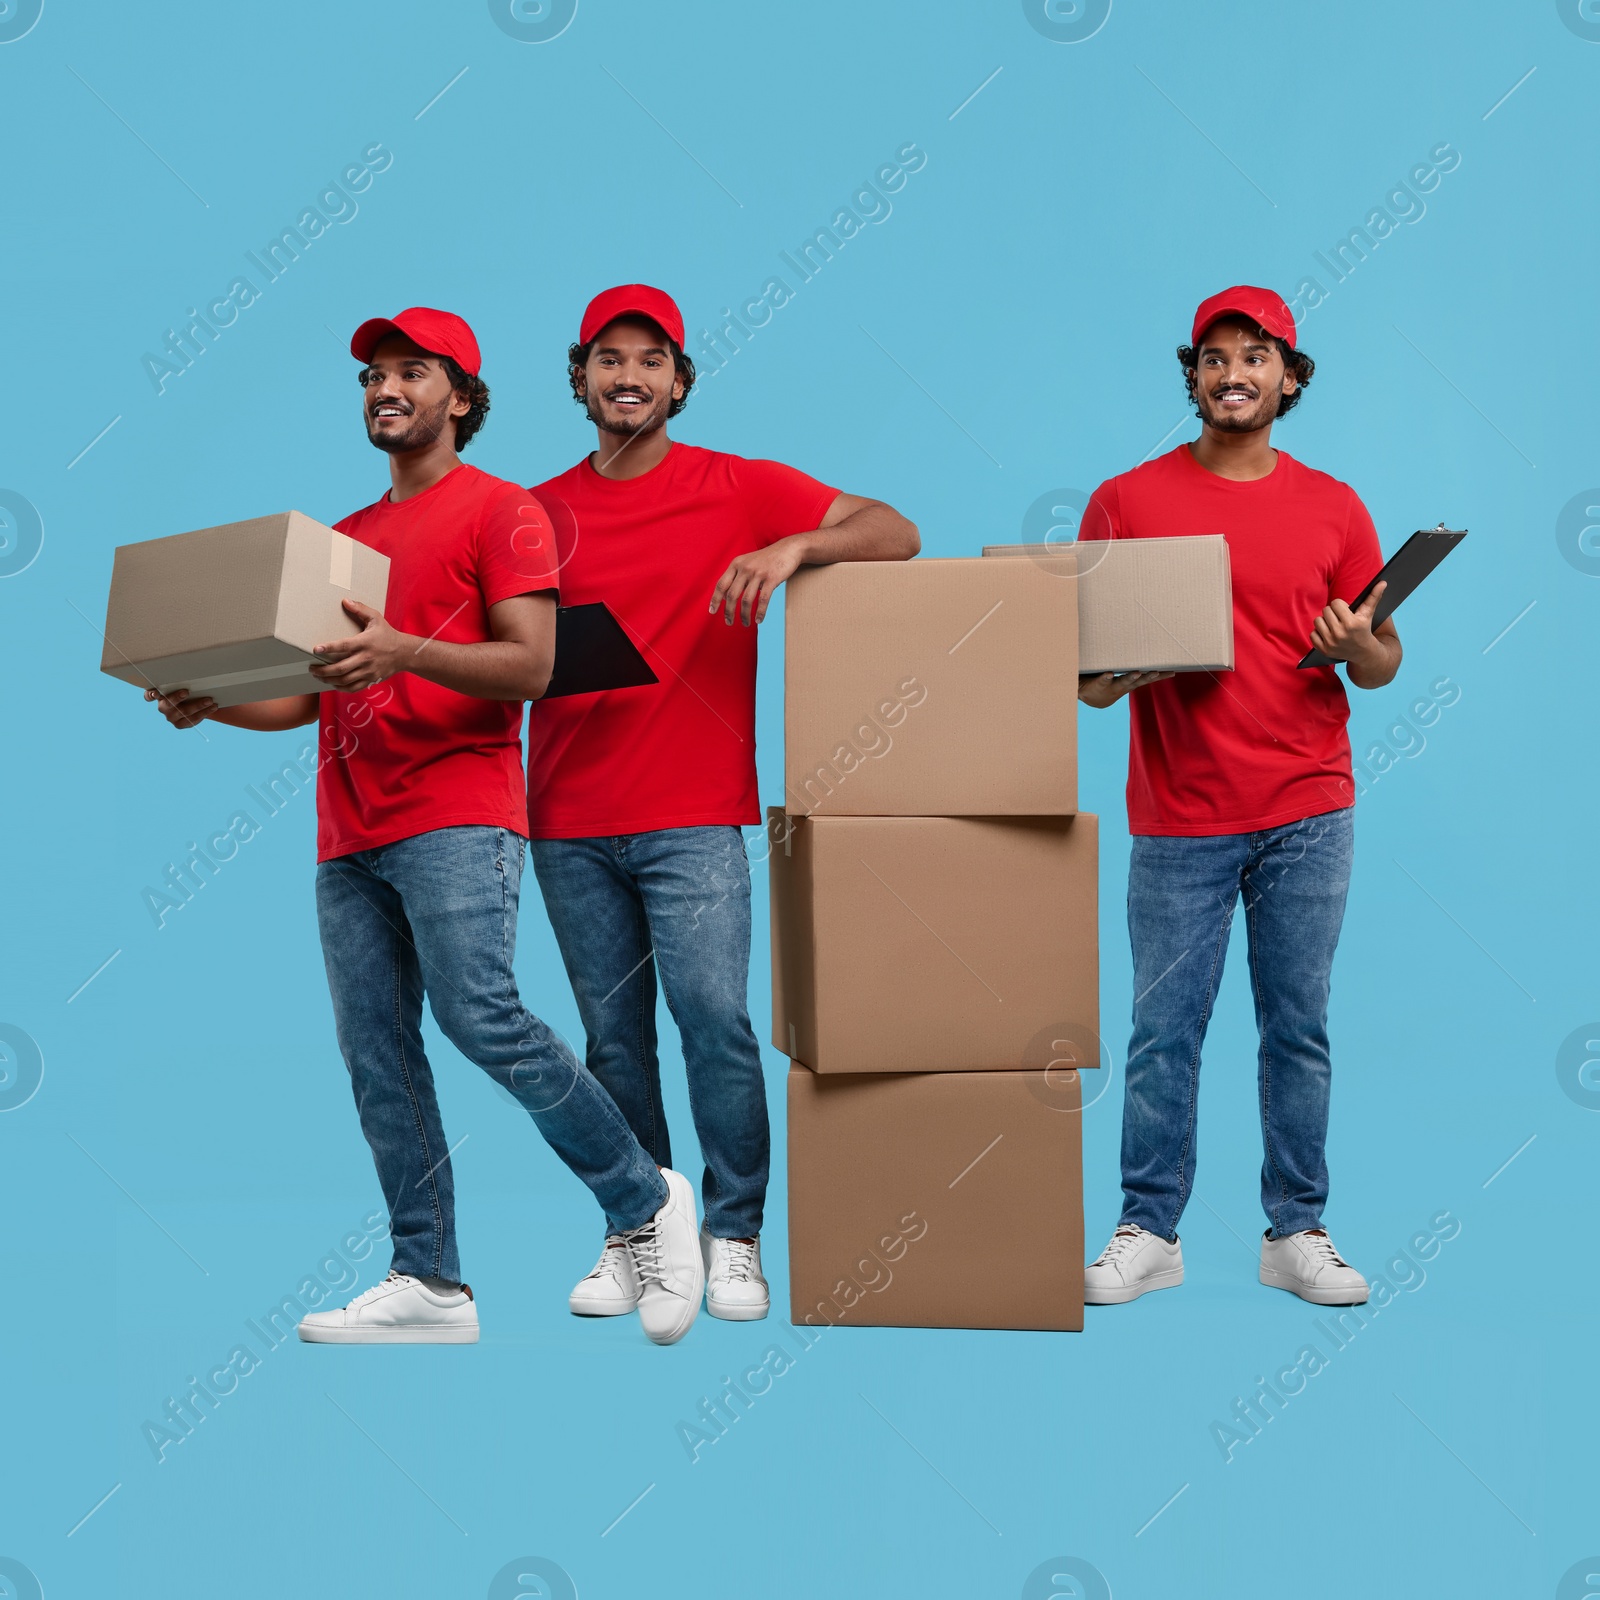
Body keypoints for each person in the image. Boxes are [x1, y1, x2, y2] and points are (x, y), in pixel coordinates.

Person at [146, 307, 704, 1346]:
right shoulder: (346, 540)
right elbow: (310, 694)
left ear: (461, 396)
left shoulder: (504, 514)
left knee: (481, 1016)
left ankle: (645, 1196)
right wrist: (209, 700)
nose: (385, 390)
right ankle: (431, 1279)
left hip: (455, 811)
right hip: (348, 828)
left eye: (411, 372)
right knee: (375, 1053)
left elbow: (530, 665)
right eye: (371, 378)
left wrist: (405, 651)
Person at [524, 284, 919, 1322]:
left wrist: (795, 547)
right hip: (566, 816)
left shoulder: (739, 486)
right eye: (608, 359)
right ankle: (640, 1229)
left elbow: (896, 530)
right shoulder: (534, 512)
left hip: (695, 812)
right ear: (579, 379)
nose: (628, 376)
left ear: (679, 382)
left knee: (714, 1020)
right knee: (612, 1041)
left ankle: (732, 1232)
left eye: (649, 360)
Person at [1078, 285, 1399, 1309]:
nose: (1232, 373)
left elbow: (1382, 660)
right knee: (1162, 1030)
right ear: (1194, 378)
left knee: (1295, 1025)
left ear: (1288, 379)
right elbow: (1084, 679)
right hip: (1180, 814)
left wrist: (1361, 648)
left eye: (1253, 358)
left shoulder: (1336, 506)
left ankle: (1294, 1230)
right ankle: (1147, 1228)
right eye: (1214, 358)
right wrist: (1122, 671)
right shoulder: (1125, 500)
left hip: (1308, 806)